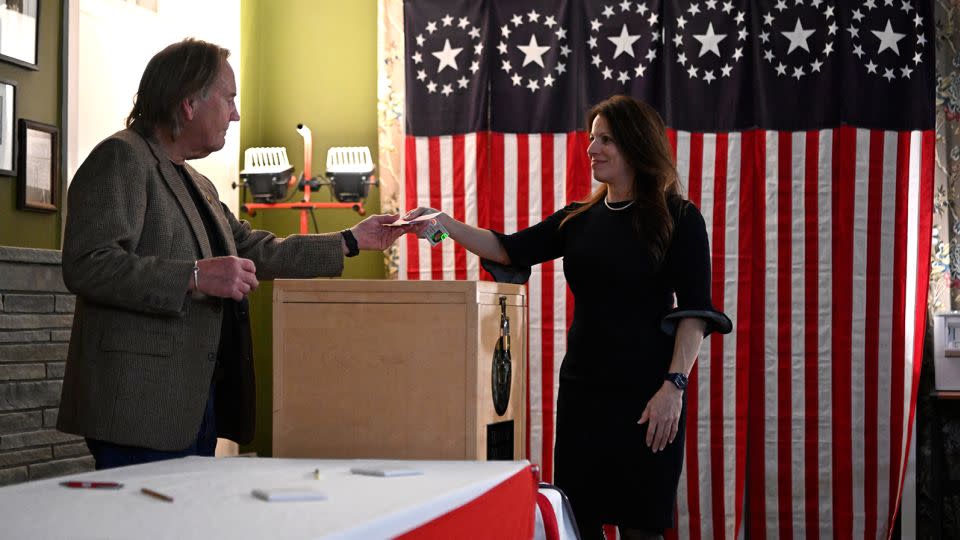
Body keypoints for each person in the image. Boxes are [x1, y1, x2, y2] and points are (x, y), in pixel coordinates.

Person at [57, 38, 411, 470]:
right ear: (189, 103)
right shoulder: (121, 158)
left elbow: (252, 248)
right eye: (229, 99)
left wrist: (350, 241)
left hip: (192, 406)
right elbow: (87, 264)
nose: (236, 113)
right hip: (138, 411)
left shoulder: (197, 181)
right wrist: (193, 276)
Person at [404, 95, 732, 539]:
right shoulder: (580, 219)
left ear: (636, 146)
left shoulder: (679, 217)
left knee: (642, 527)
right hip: (583, 394)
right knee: (582, 521)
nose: (592, 148)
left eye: (606, 140)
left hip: (649, 396)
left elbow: (695, 313)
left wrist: (673, 387)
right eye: (592, 138)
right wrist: (442, 224)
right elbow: (507, 248)